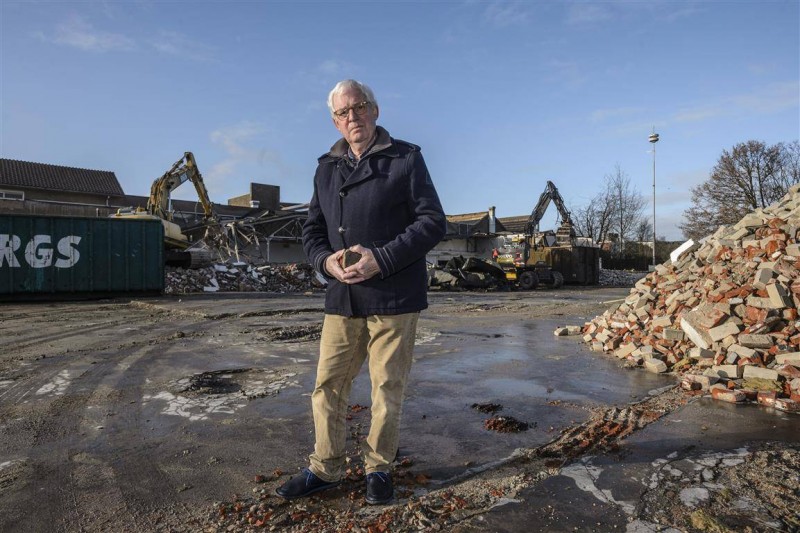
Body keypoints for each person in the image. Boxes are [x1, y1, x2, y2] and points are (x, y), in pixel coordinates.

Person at [276, 79, 446, 505]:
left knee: (386, 387)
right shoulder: (325, 168)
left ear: (375, 110)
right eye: (343, 112)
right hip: (342, 298)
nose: (352, 117)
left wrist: (382, 259)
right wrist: (324, 261)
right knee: (327, 385)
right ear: (334, 120)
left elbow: (432, 223)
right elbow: (312, 229)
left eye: (360, 107)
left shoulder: (405, 159)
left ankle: (378, 469)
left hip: (394, 296)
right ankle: (325, 467)